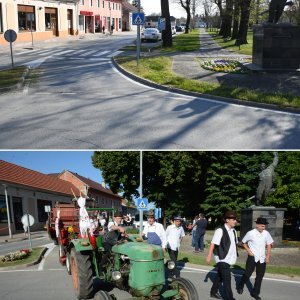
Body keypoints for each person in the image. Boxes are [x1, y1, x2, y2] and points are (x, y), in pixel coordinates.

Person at [237, 218, 274, 300]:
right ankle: (240, 285)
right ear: (257, 225)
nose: (263, 228)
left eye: (264, 226)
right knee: (247, 273)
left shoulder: (266, 233)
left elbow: (269, 244)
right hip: (252, 257)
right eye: (262, 226)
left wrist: (267, 256)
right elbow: (243, 243)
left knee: (259, 276)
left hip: (262, 258)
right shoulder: (250, 233)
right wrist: (249, 251)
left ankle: (255, 293)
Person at [206, 210, 238, 300]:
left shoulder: (234, 231)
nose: (235, 221)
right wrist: (208, 256)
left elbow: (233, 244)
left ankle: (213, 292)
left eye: (235, 219)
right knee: (227, 280)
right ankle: (230, 298)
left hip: (229, 258)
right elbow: (213, 244)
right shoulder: (220, 230)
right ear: (227, 220)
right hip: (221, 258)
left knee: (220, 276)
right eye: (233, 219)